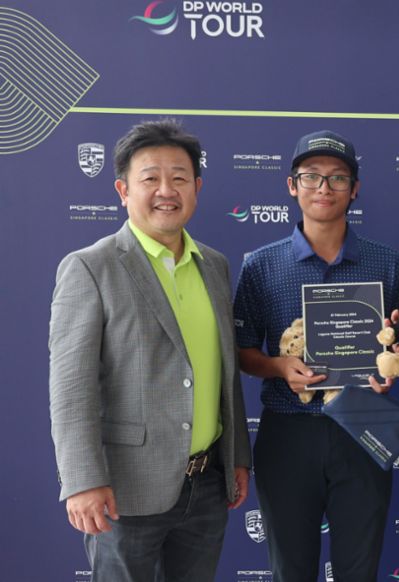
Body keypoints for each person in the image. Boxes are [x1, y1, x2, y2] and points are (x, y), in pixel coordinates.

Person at [49, 119, 251, 582]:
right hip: (125, 489)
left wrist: (237, 457)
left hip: (206, 488)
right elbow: (71, 388)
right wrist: (82, 480)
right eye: (150, 178)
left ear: (197, 188)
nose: (166, 190)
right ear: (123, 189)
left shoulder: (214, 266)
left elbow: (225, 371)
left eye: (179, 178)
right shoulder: (90, 268)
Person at [233, 130, 399, 582]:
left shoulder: (387, 264)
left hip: (363, 424)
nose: (324, 189)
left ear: (355, 189)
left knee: (360, 567)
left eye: (337, 178)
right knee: (291, 569)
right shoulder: (262, 264)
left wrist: (392, 369)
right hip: (288, 433)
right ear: (292, 186)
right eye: (311, 177)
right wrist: (277, 366)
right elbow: (242, 351)